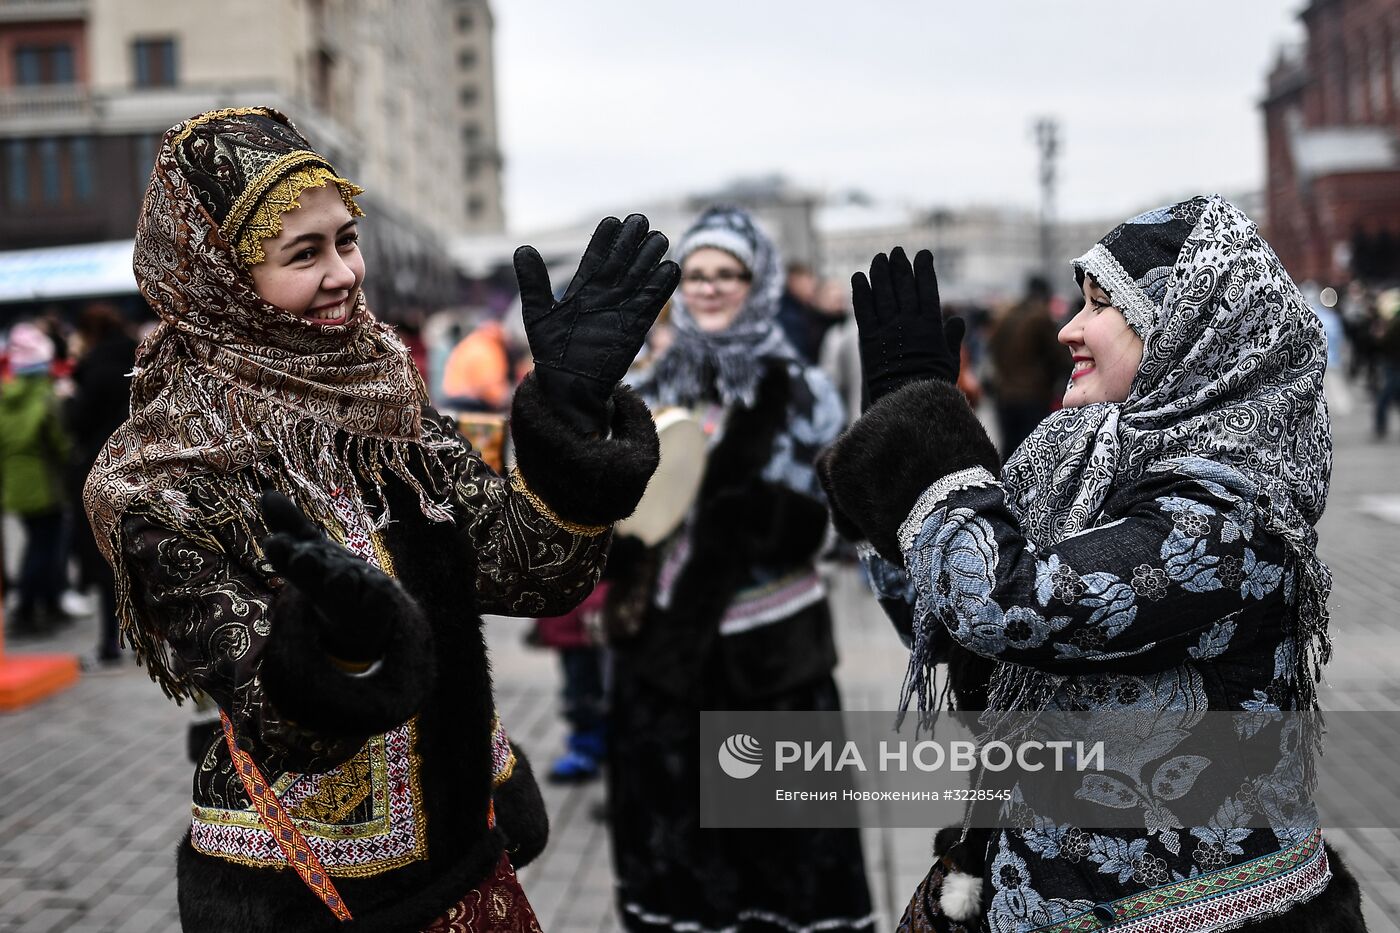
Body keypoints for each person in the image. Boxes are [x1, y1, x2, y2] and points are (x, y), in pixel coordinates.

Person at [82, 107, 677, 932]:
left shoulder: (382, 400)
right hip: (314, 889)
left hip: (468, 850)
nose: (344, 274)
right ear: (217, 276)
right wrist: (342, 643)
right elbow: (282, 723)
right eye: (304, 253)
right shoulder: (163, 474)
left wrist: (566, 417)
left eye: (346, 239)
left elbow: (527, 568)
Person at [821, 196, 1365, 931]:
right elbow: (941, 618)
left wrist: (922, 428)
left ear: (1187, 333)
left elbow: (1010, 605)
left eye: (1102, 306)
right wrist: (893, 426)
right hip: (1040, 885)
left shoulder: (1227, 517)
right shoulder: (1076, 456)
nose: (1068, 329)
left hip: (1196, 911)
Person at [605, 206, 875, 932]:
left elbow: (836, 511)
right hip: (667, 652)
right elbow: (616, 503)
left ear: (758, 284)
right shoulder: (650, 384)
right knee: (679, 848)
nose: (711, 288)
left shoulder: (801, 387)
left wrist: (764, 511)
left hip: (772, 656)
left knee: (782, 857)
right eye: (697, 274)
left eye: (729, 274)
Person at [63, 302, 139, 662]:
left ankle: (111, 643)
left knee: (106, 560)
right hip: (143, 465)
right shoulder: (138, 358)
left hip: (101, 472)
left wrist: (69, 388)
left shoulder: (94, 370)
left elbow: (76, 423)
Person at [0, 322, 72, 636]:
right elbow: (60, 444)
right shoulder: (45, 398)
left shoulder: (5, 397)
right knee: (44, 549)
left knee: (35, 544)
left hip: (14, 484)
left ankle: (44, 603)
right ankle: (27, 610)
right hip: (44, 484)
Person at [985, 275, 1070, 458]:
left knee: (1009, 448)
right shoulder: (1040, 317)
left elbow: (993, 349)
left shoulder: (1006, 317)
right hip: (1032, 395)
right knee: (1031, 451)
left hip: (1005, 394)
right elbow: (1059, 356)